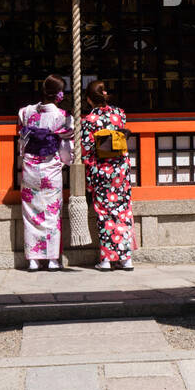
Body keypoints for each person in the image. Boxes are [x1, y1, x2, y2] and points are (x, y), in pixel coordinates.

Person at [17, 75, 75, 271]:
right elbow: (67, 148)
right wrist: (65, 161)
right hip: (51, 168)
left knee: (31, 213)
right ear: (60, 94)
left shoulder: (25, 112)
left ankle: (33, 259)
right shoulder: (63, 117)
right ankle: (52, 259)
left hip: (30, 168)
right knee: (51, 213)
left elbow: (22, 142)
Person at [80, 81, 135, 270]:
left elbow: (87, 150)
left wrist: (88, 176)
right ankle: (126, 258)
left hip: (102, 170)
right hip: (121, 169)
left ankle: (106, 260)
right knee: (123, 211)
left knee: (104, 214)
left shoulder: (88, 121)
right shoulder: (119, 114)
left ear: (88, 99)